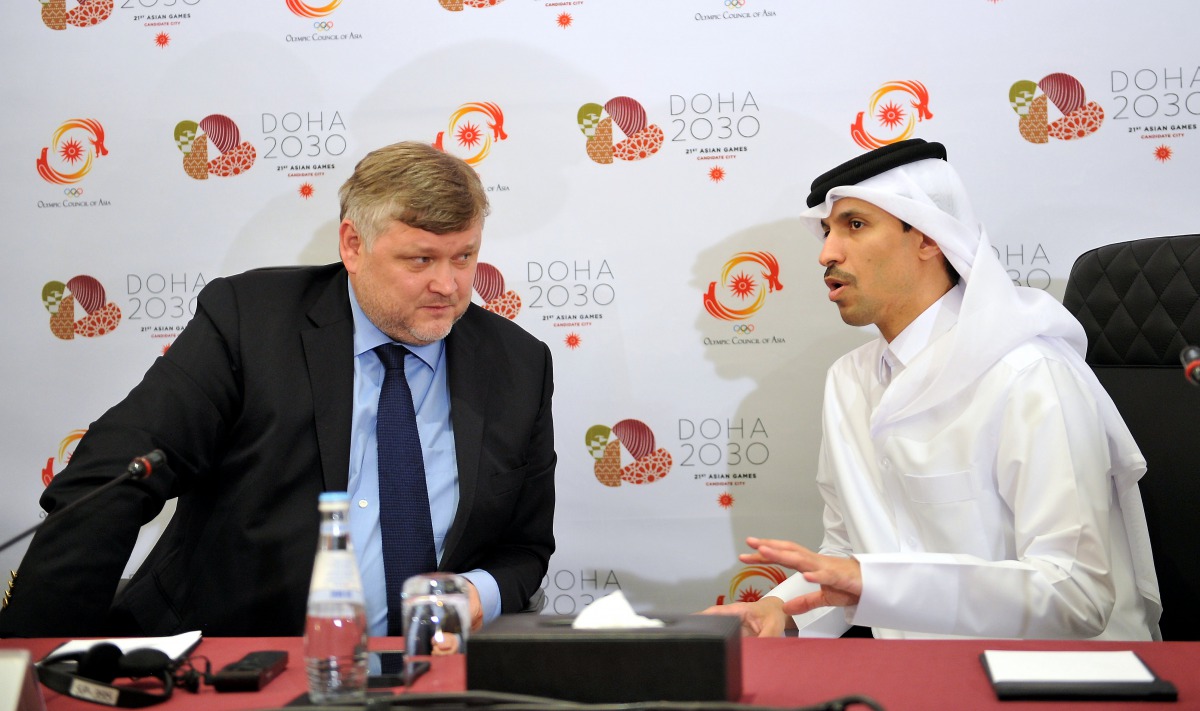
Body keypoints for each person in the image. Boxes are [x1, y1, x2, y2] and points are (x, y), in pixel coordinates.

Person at [0, 141, 556, 638]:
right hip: (231, 658)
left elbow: (524, 551)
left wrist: (478, 593)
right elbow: (115, 475)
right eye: (421, 259)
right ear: (353, 245)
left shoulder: (518, 365)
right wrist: (32, 656)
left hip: (423, 674)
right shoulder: (248, 323)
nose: (449, 285)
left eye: (464, 256)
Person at [705, 139, 1161, 640]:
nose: (827, 253)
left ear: (928, 238)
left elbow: (1076, 595)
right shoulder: (849, 380)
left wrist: (878, 583)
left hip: (1056, 683)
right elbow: (847, 555)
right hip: (912, 679)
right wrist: (781, 611)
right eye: (827, 231)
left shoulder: (1028, 373)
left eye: (855, 226)